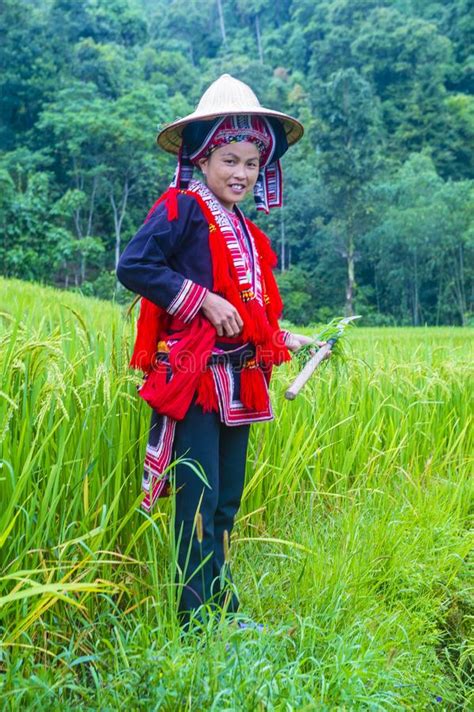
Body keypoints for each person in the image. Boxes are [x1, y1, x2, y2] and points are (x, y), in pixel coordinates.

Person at [117, 74, 316, 629]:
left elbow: (250, 310)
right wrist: (198, 300)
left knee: (226, 498)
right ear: (204, 158)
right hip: (196, 379)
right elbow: (134, 265)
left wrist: (285, 339)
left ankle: (221, 605)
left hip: (240, 379)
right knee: (197, 499)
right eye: (230, 160)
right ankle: (193, 617)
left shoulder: (246, 230)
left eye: (251, 164)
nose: (241, 174)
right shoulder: (180, 209)